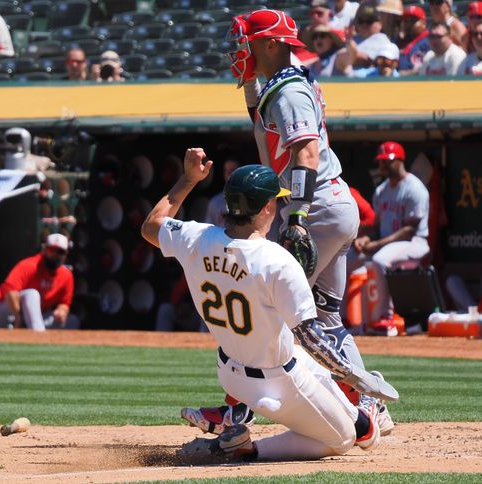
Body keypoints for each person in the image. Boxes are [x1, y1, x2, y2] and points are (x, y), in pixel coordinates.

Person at [184, 8, 393, 441]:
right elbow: (265, 123)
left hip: (314, 206)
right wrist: (247, 81)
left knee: (267, 304)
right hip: (332, 204)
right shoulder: (280, 85)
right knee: (327, 318)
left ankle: (236, 412)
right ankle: (364, 405)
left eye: (247, 43)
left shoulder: (289, 91)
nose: (239, 50)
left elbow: (305, 154)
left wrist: (296, 217)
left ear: (272, 43)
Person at [142, 149, 398, 461]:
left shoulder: (196, 237)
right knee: (343, 440)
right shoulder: (277, 260)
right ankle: (243, 449)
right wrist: (353, 374)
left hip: (231, 372)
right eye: (275, 200)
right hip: (277, 382)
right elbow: (311, 337)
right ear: (266, 208)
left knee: (362, 430)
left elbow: (151, 225)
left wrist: (188, 179)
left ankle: (360, 419)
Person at [352, 141, 430, 328]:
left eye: (387, 161)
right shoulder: (382, 190)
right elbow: (376, 226)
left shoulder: (414, 188)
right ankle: (346, 319)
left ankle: (386, 318)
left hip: (415, 243)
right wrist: (365, 239)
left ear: (400, 161)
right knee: (348, 258)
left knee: (379, 260)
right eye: (381, 162)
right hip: (388, 244)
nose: (383, 165)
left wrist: (377, 245)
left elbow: (409, 230)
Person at [0, 233, 77, 331]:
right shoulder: (30, 265)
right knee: (32, 294)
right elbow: (10, 292)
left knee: (73, 320)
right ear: (45, 250)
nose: (55, 254)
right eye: (51, 250)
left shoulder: (66, 275)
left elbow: (64, 303)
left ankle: (37, 333)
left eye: (60, 252)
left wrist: (62, 310)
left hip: (32, 317)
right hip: (7, 310)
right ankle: (38, 336)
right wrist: (19, 317)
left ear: (66, 254)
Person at [338, 5, 392, 71]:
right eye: (361, 21)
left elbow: (365, 59)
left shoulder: (381, 39)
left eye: (369, 21)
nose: (364, 24)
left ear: (380, 24)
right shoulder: (354, 38)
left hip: (368, 79)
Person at [205, 158, 241, 227]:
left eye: (232, 170)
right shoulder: (215, 202)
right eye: (226, 171)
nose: (228, 174)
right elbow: (208, 231)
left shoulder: (250, 201)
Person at [397, 6, 429, 74]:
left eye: (413, 21)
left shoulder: (429, 40)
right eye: (406, 21)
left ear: (423, 22)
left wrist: (410, 73)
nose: (409, 24)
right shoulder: (401, 41)